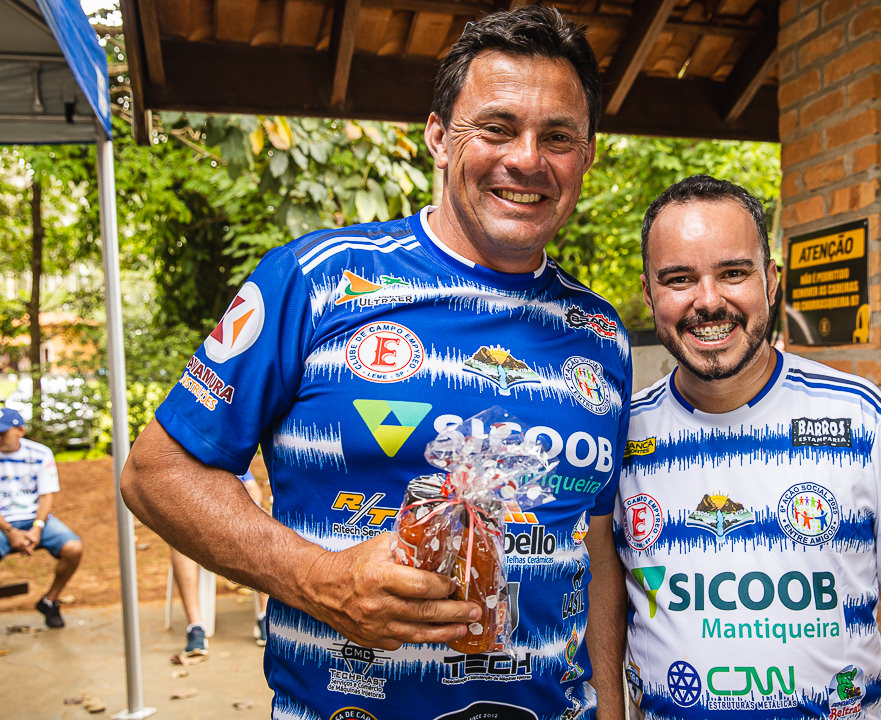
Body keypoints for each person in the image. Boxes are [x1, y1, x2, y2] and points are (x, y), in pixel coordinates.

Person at [120, 7, 630, 720]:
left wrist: (612, 709)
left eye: (559, 137)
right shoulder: (315, 279)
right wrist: (318, 578)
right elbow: (155, 475)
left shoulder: (601, 335)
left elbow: (596, 545)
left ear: (587, 155)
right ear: (438, 137)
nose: (527, 159)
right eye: (496, 127)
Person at [614, 175, 881, 719]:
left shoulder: (860, 417)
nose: (708, 301)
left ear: (771, 280)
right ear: (649, 294)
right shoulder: (620, 434)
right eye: (680, 279)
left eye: (733, 273)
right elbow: (600, 611)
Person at [172, 468, 271, 657]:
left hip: (237, 523)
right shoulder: (187, 460)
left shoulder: (232, 460)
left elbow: (254, 491)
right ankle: (195, 627)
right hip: (199, 526)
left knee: (262, 529)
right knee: (178, 539)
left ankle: (265, 616)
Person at [0, 407, 83, 629]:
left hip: (35, 519)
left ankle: (50, 600)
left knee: (73, 548)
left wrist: (37, 527)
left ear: (20, 430)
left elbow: (46, 496)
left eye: (3, 433)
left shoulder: (40, 453)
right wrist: (9, 531)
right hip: (2, 523)